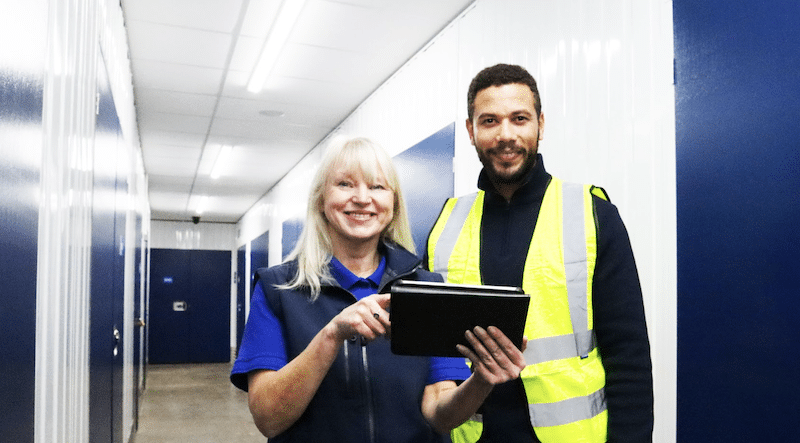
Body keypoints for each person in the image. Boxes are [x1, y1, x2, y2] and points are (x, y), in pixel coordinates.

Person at [231, 137, 528, 443]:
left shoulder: (426, 289)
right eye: (345, 184)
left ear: (394, 202)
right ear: (320, 199)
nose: (362, 198)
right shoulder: (278, 290)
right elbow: (268, 419)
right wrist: (331, 335)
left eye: (377, 187)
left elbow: (440, 416)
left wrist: (481, 380)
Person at [425, 64, 654, 443]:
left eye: (519, 119)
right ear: (471, 131)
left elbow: (628, 359)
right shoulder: (447, 223)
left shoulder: (592, 213)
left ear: (540, 125)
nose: (506, 135)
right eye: (489, 121)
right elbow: (433, 358)